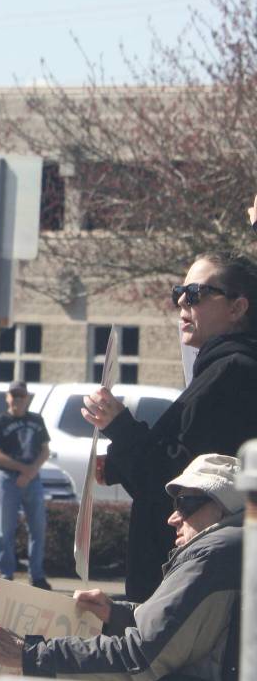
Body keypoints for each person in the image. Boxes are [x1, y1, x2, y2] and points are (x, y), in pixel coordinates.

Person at [0, 453, 244, 681]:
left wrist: (29, 654)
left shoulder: (214, 552)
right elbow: (182, 630)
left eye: (185, 503)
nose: (173, 518)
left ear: (222, 506)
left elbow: (139, 660)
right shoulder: (237, 548)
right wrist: (117, 614)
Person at [83, 250, 257, 601]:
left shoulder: (234, 372)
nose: (181, 300)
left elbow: (173, 482)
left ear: (238, 308)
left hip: (191, 582)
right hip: (186, 576)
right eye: (178, 290)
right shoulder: (217, 370)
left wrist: (120, 427)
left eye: (196, 293)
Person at [0, 380, 51, 590]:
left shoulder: (36, 419)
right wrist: (23, 469)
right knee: (5, 529)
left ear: (27, 398)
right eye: (13, 395)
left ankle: (37, 575)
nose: (17, 399)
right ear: (7, 398)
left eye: (21, 396)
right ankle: (6, 574)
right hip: (8, 479)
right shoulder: (0, 422)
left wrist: (31, 471)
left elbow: (44, 450)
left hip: (32, 480)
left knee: (38, 528)